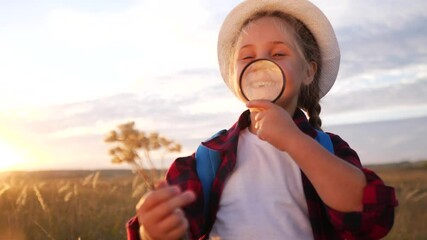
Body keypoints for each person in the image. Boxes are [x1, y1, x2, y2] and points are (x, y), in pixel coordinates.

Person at [127, 0, 398, 239]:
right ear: (236, 76)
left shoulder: (329, 149)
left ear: (308, 71)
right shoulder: (211, 156)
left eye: (279, 53)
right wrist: (154, 232)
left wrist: (295, 140)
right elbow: (177, 223)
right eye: (247, 56)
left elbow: (369, 216)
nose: (261, 64)